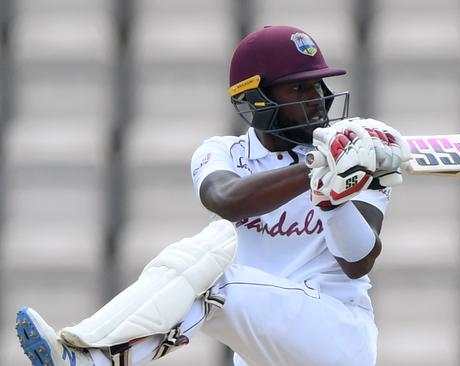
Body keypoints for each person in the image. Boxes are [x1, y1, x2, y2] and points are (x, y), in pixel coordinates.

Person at [15, 25, 410, 366]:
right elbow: (226, 200)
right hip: (261, 349)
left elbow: (358, 262)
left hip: (337, 335)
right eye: (298, 88)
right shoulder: (223, 153)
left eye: (318, 85)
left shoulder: (354, 156)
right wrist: (314, 171)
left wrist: (334, 197)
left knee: (212, 276)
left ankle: (95, 357)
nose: (318, 101)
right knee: (201, 253)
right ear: (259, 101)